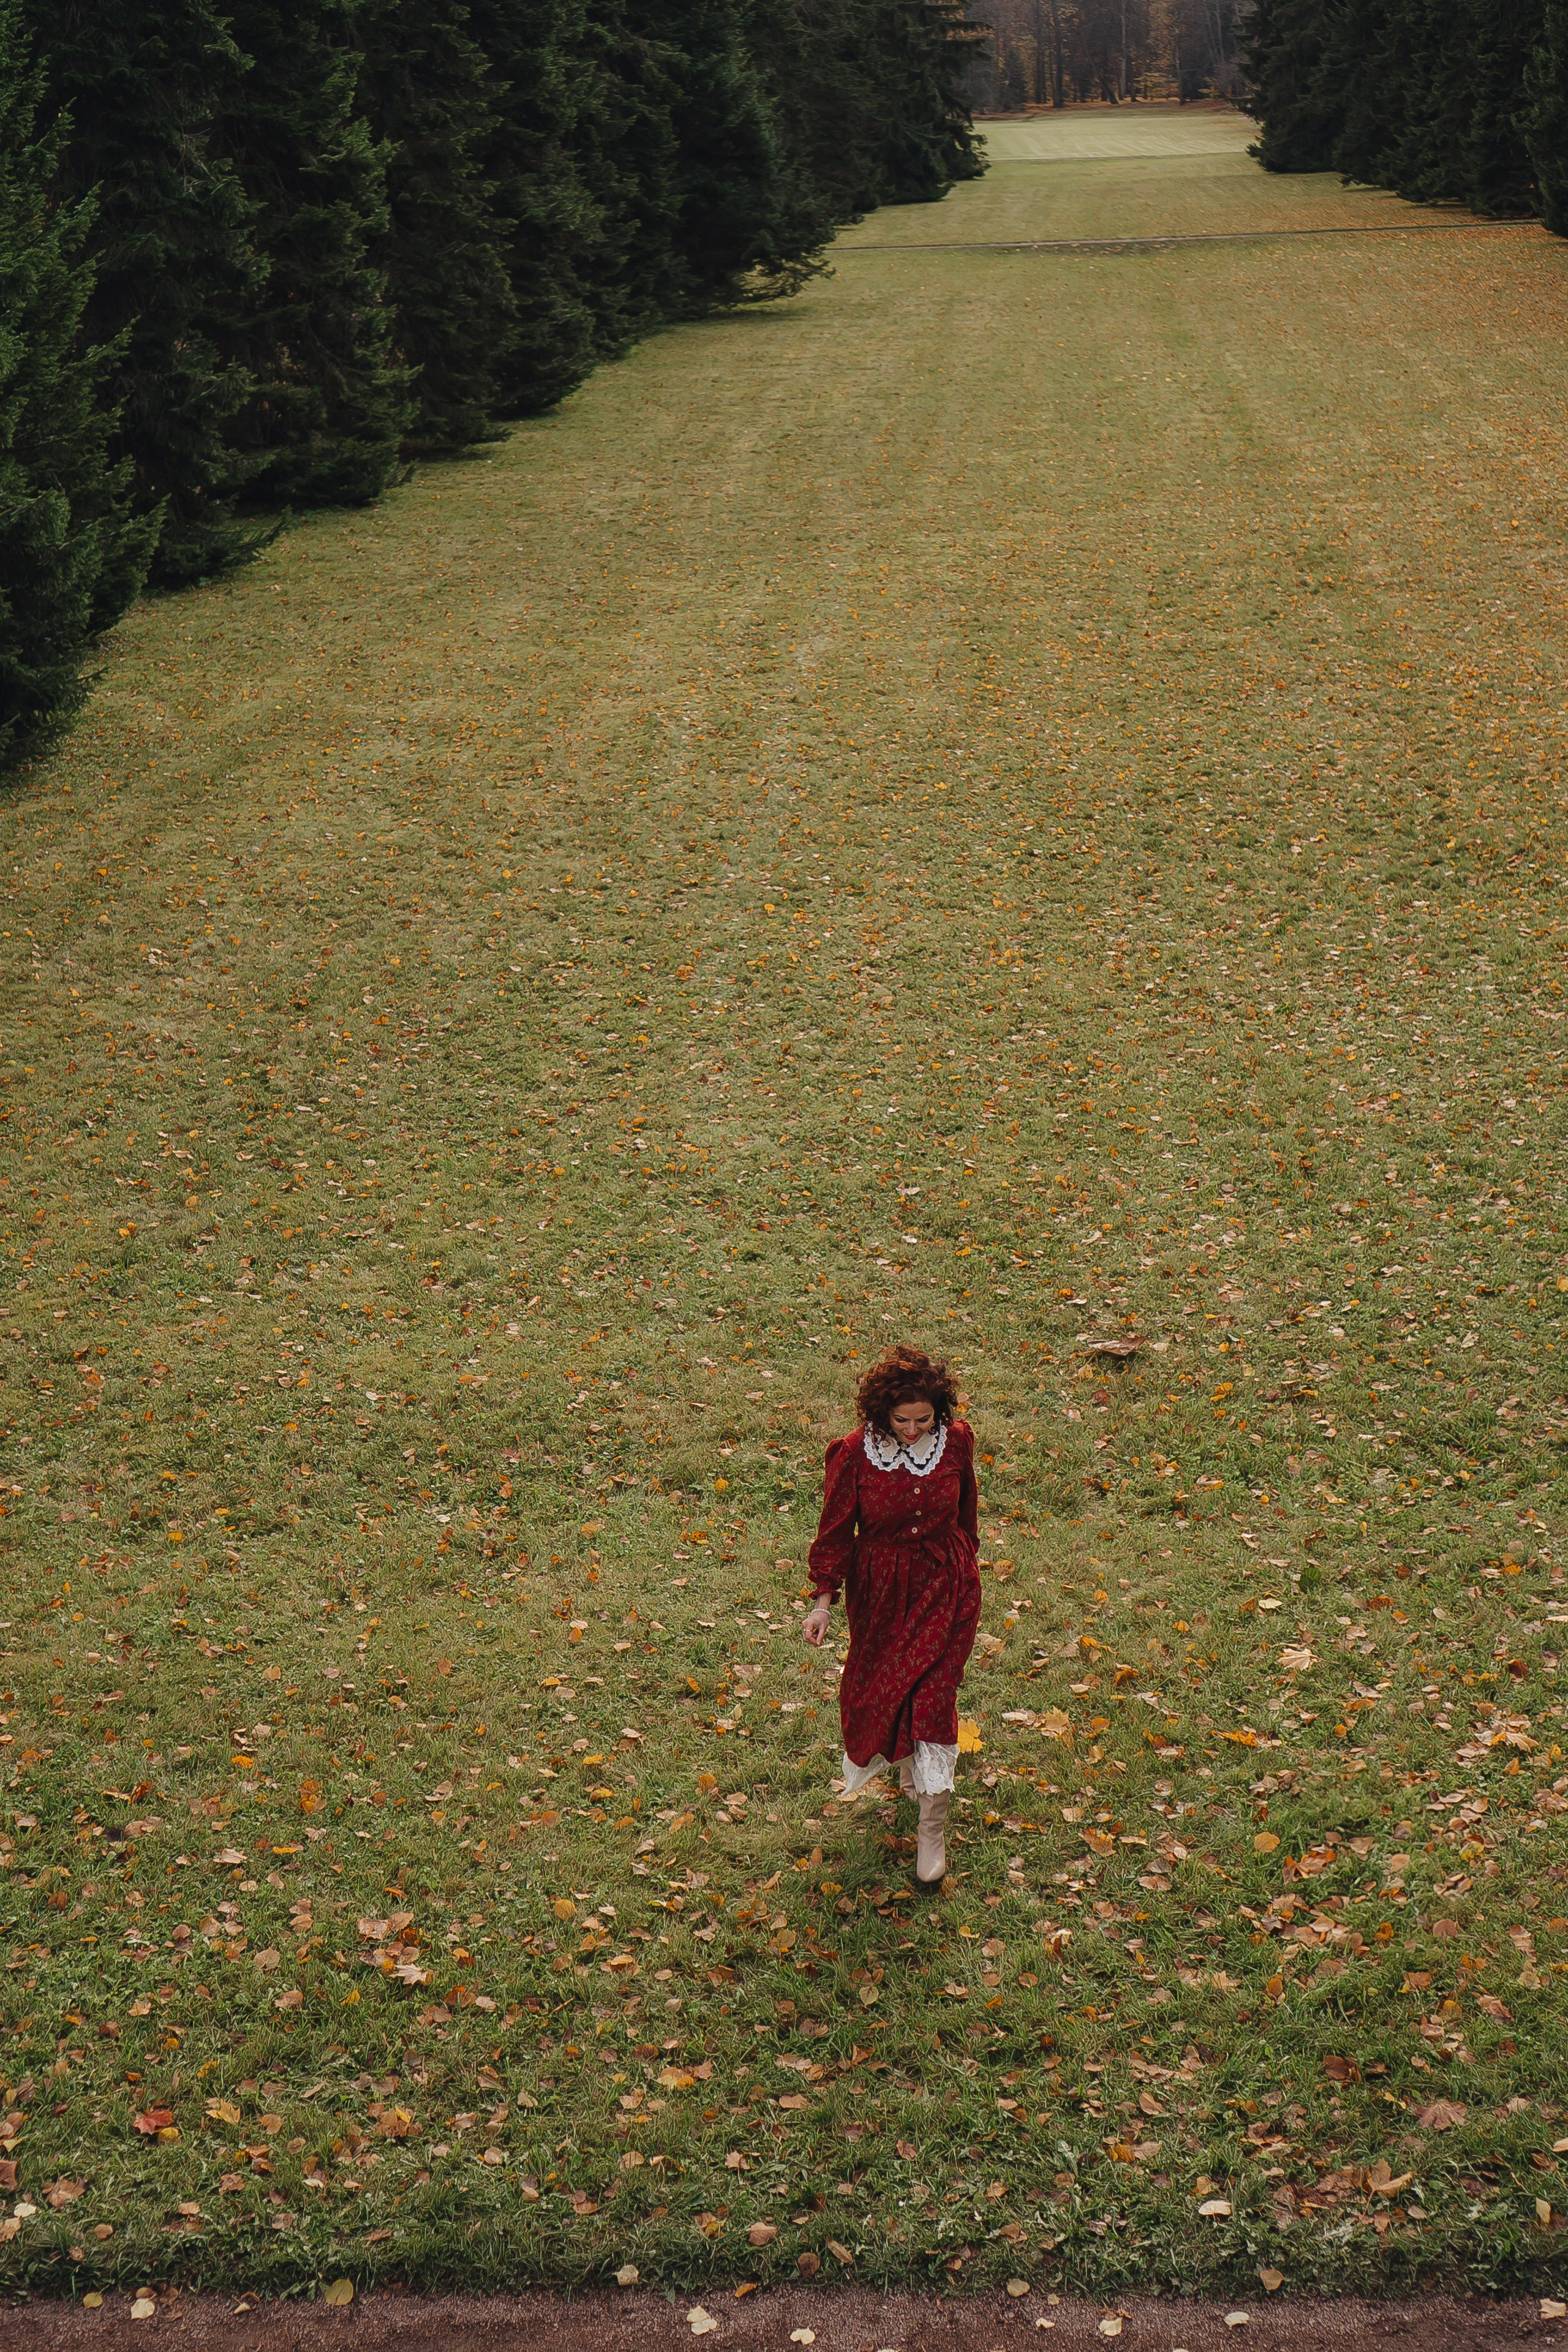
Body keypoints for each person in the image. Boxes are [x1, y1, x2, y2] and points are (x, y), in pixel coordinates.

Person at [803, 1344, 981, 1888]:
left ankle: (932, 1829)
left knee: (933, 1696)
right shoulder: (855, 1453)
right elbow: (836, 1529)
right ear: (882, 1413)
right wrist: (823, 1602)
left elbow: (968, 1511)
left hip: (945, 1586)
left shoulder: (958, 1443)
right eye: (901, 1420)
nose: (912, 1430)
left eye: (923, 1419)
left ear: (939, 1411)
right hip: (880, 1595)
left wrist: (967, 1565)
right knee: (882, 1690)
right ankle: (910, 1770)